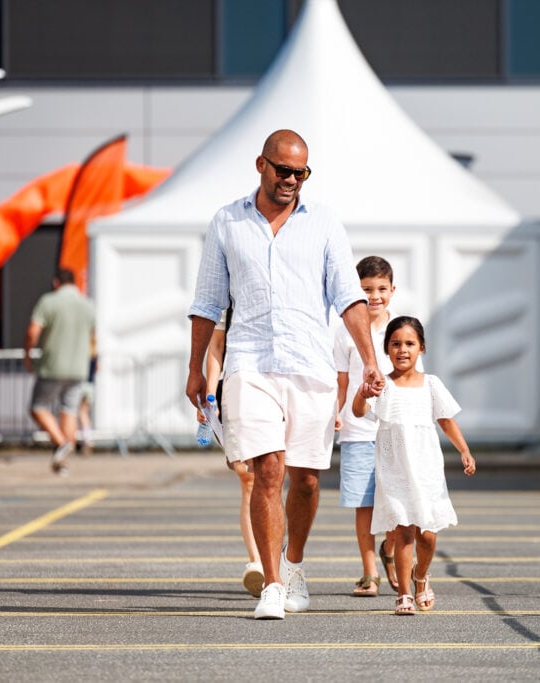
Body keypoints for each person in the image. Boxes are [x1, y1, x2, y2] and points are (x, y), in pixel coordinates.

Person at [186, 129, 384, 620]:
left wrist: (370, 361)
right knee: (266, 470)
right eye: (284, 171)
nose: (293, 180)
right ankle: (272, 582)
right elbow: (208, 302)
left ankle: (295, 565)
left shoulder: (325, 224)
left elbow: (347, 297)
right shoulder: (227, 222)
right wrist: (196, 370)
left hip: (310, 366)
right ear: (261, 165)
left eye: (302, 173)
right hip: (249, 363)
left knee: (308, 480)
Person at [352, 316, 476, 615]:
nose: (402, 350)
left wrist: (465, 450)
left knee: (428, 534)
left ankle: (421, 577)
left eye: (409, 344)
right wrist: (362, 392)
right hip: (394, 470)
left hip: (426, 469)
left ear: (421, 348)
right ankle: (405, 594)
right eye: (395, 344)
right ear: (386, 349)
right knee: (404, 531)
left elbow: (446, 420)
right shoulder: (383, 385)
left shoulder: (431, 384)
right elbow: (358, 412)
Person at [334, 255, 403, 597]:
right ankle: (369, 572)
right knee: (364, 503)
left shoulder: (401, 331)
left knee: (396, 499)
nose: (374, 296)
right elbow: (341, 381)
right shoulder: (345, 331)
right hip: (357, 430)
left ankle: (389, 550)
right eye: (366, 290)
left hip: (394, 431)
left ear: (392, 289)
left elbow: (411, 380)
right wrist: (335, 412)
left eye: (381, 289)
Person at [197, 309, 264, 597]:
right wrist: (210, 398)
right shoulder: (227, 296)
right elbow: (216, 345)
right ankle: (258, 562)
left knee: (277, 475)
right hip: (235, 387)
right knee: (248, 477)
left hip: (281, 383)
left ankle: (281, 560)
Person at [24, 268, 96, 476]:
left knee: (38, 406)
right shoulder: (88, 305)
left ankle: (61, 442)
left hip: (53, 366)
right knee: (70, 410)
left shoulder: (49, 302)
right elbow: (93, 338)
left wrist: (28, 354)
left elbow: (32, 331)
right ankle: (63, 463)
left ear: (56, 283)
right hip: (78, 368)